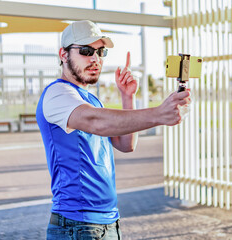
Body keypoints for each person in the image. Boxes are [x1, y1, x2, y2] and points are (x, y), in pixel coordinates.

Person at [36, 20, 191, 240]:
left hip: (107, 222)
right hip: (77, 225)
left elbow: (125, 145)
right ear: (63, 54)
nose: (95, 58)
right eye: (86, 50)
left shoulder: (90, 99)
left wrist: (128, 97)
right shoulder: (57, 94)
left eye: (100, 52)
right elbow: (97, 122)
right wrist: (159, 114)